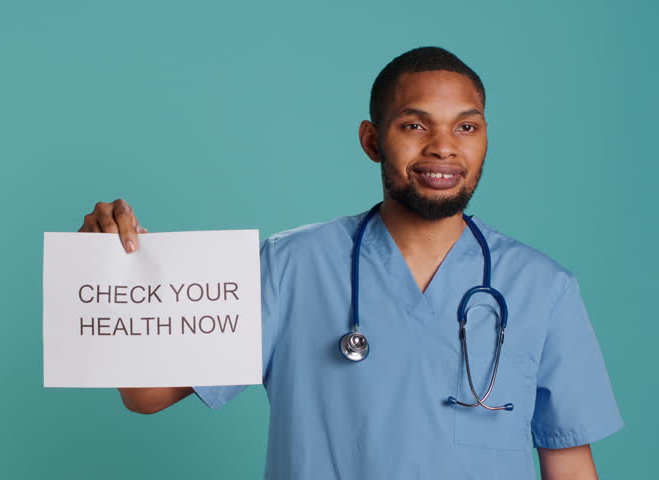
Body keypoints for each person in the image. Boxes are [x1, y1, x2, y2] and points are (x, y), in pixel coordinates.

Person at [77, 47, 623, 479]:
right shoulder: (289, 267)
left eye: (466, 126)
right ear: (371, 140)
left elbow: (570, 465)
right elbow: (144, 396)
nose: (442, 147)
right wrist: (102, 265)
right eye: (414, 125)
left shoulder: (541, 288)